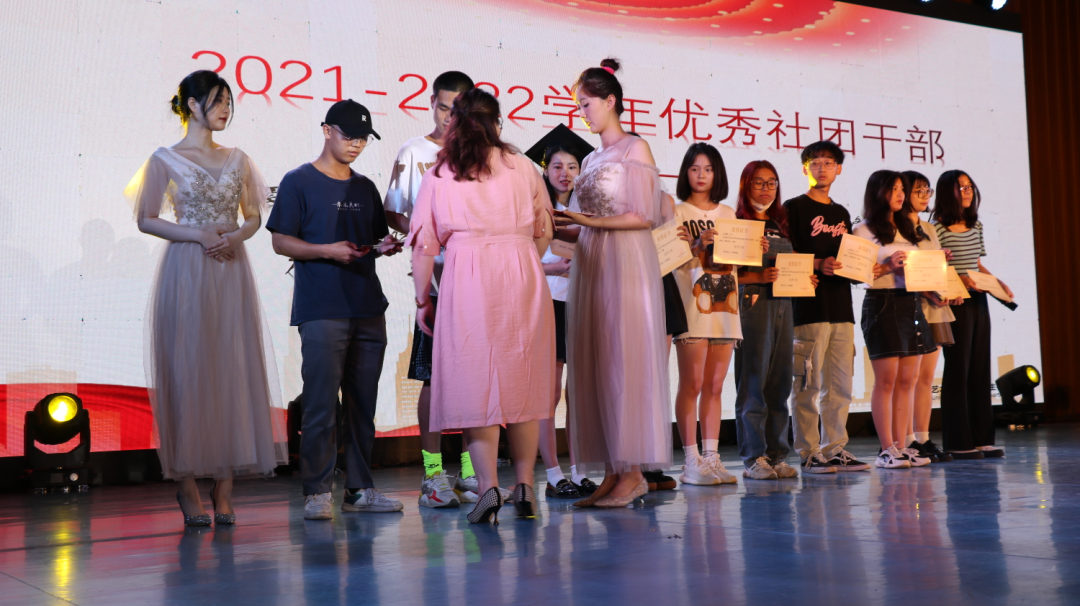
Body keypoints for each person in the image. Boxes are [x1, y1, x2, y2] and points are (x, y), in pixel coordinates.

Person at [126, 70, 287, 526]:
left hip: (229, 268)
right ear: (192, 105)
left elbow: (253, 216)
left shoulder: (239, 158)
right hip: (188, 270)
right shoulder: (164, 159)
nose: (225, 110)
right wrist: (198, 235)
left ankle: (225, 487)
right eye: (217, 101)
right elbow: (146, 218)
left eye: (229, 103)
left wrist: (236, 236)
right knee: (188, 372)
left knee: (231, 369)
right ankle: (186, 486)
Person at [407, 88, 556, 524]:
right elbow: (544, 229)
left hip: (467, 276)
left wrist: (422, 299)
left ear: (454, 121)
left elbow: (423, 245)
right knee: (523, 381)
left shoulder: (442, 171)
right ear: (496, 121)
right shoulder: (523, 165)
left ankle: (488, 489)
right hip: (521, 272)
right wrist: (522, 255)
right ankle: (525, 485)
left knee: (476, 384)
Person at [267, 100, 405, 520]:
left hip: (367, 305)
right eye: (349, 136)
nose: (356, 145)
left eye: (363, 138)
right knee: (321, 403)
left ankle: (360, 489)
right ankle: (317, 491)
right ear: (327, 131)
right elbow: (281, 241)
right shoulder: (299, 181)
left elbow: (371, 242)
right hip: (322, 306)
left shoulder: (365, 187)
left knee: (363, 404)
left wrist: (385, 247)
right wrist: (327, 251)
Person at [556, 58, 673, 508]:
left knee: (623, 360)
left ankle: (633, 474)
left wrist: (583, 221)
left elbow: (641, 217)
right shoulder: (590, 158)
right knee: (597, 364)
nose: (582, 112)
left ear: (610, 101)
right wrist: (558, 223)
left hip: (625, 263)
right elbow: (585, 222)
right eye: (579, 105)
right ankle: (611, 472)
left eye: (587, 103)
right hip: (593, 262)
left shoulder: (634, 149)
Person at [383, 71, 481, 508]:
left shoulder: (482, 156)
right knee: (432, 379)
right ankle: (432, 472)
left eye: (458, 111)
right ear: (431, 104)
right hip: (438, 285)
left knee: (477, 380)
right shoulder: (414, 152)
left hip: (478, 284)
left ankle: (471, 471)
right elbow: (394, 212)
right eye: (443, 108)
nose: (449, 118)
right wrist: (427, 233)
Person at [783, 141, 871, 473]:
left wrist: (863, 269)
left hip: (841, 308)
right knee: (807, 384)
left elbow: (850, 259)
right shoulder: (793, 207)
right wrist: (817, 263)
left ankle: (835, 448)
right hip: (808, 307)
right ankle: (808, 451)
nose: (822, 168)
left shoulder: (842, 214)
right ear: (805, 168)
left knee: (840, 385)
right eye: (815, 162)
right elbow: (784, 253)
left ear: (839, 169)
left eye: (828, 162)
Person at [523, 125, 598, 499]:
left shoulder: (589, 212)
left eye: (572, 166)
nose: (565, 173)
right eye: (557, 166)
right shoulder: (533, 209)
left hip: (581, 303)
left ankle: (579, 470)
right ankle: (553, 474)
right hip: (547, 303)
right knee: (549, 393)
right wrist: (550, 268)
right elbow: (520, 260)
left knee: (578, 395)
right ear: (545, 169)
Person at [733, 160, 815, 480]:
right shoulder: (737, 223)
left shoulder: (780, 224)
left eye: (772, 183)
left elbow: (788, 268)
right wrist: (757, 276)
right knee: (753, 382)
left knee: (780, 382)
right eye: (758, 182)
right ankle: (754, 457)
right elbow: (724, 273)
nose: (766, 189)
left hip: (783, 306)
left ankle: (777, 454)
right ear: (746, 185)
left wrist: (805, 279)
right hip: (752, 303)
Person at [670, 143, 741, 486]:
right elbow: (670, 260)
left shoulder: (729, 213)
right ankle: (690, 460)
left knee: (715, 385)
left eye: (708, 169)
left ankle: (711, 457)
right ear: (686, 172)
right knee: (693, 383)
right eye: (695, 168)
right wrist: (697, 246)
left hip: (726, 308)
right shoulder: (676, 211)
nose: (701, 175)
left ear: (717, 174)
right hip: (692, 306)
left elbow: (736, 260)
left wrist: (753, 250)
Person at [852, 171, 935, 469]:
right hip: (882, 303)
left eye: (902, 189)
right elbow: (856, 275)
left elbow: (916, 270)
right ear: (878, 192)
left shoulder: (908, 228)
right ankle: (886, 449)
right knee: (886, 381)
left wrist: (935, 274)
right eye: (894, 189)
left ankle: (902, 445)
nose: (901, 194)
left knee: (907, 380)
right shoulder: (863, 230)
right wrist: (888, 266)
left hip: (911, 302)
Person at [932, 170, 1012, 459]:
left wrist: (996, 282)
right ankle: (958, 440)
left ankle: (982, 438)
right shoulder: (936, 228)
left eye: (969, 186)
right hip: (954, 301)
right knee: (958, 368)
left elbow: (976, 264)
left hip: (978, 300)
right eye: (960, 187)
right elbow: (934, 267)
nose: (967, 191)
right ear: (946, 192)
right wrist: (960, 280)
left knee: (980, 366)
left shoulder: (976, 225)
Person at [902, 170, 956, 463]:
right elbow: (905, 272)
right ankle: (906, 438)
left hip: (934, 308)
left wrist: (949, 285)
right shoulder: (895, 228)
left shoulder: (929, 229)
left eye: (927, 191)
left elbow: (933, 269)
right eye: (918, 191)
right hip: (911, 307)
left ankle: (922, 437)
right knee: (908, 378)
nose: (925, 197)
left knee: (926, 378)